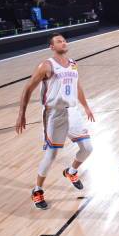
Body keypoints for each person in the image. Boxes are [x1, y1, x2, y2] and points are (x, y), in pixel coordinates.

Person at [15, 34, 95, 209]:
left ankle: (71, 171)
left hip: (72, 111)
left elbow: (77, 86)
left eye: (65, 40)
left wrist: (86, 106)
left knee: (88, 148)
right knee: (51, 155)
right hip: (54, 114)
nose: (63, 42)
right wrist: (22, 113)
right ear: (51, 47)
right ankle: (37, 190)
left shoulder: (73, 64)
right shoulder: (46, 65)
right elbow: (28, 88)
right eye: (59, 41)